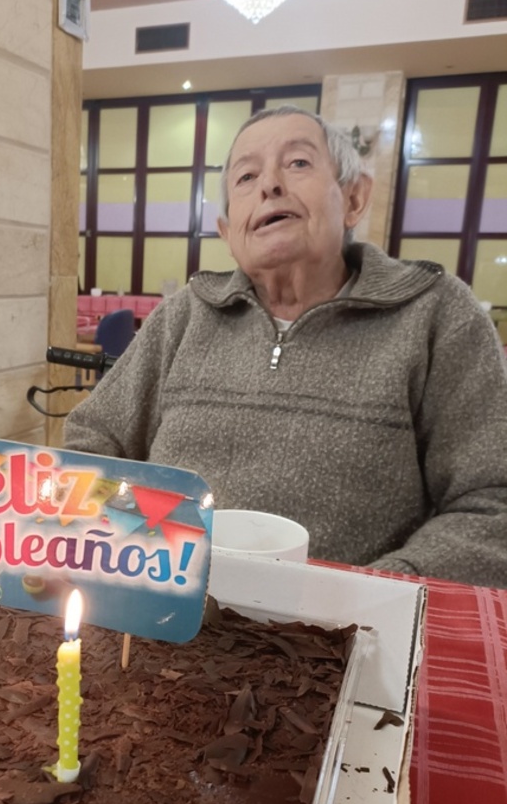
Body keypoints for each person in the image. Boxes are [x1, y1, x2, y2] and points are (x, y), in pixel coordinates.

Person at [64, 105, 507, 588]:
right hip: (168, 604)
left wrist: (369, 592)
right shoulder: (185, 315)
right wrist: (135, 547)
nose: (270, 186)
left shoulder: (435, 314)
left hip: (351, 622)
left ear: (354, 198)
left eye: (298, 163)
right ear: (228, 231)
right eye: (246, 176)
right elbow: (93, 440)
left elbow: (491, 504)